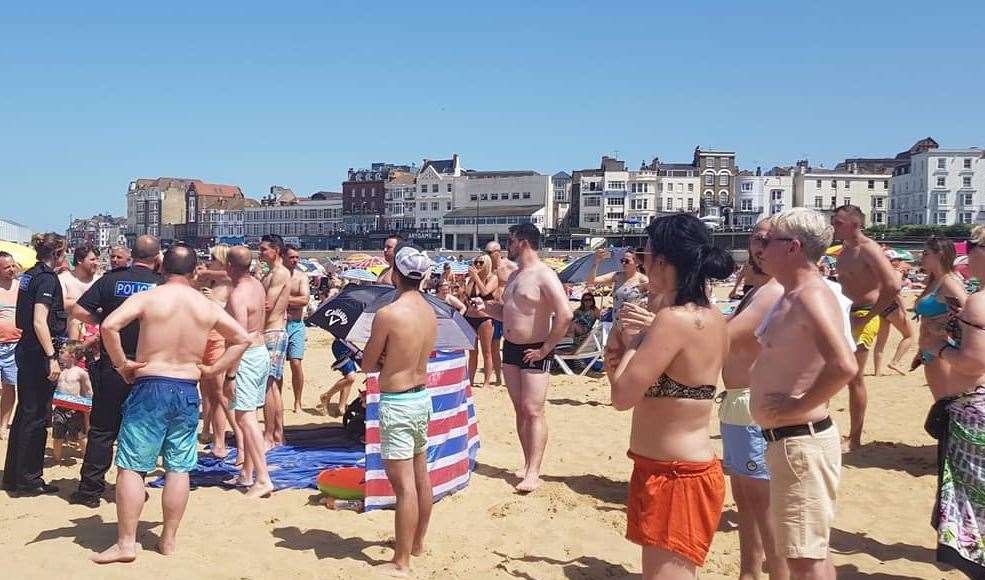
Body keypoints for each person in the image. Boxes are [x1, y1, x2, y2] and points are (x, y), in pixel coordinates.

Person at [91, 244, 250, 564]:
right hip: (186, 386)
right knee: (179, 466)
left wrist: (122, 364)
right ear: (195, 273)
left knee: (133, 465)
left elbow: (109, 326)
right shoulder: (204, 305)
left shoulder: (151, 296)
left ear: (162, 269)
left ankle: (126, 543)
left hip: (151, 383)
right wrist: (214, 369)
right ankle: (168, 540)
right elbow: (242, 338)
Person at [603, 213, 732, 579]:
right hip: (674, 468)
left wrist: (631, 343)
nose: (641, 261)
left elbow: (623, 395)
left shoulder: (672, 320)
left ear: (662, 261)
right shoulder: (713, 317)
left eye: (645, 254)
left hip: (676, 476)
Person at [751, 208, 858, 580]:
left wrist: (799, 404)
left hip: (800, 442)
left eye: (770, 240)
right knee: (808, 552)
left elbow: (844, 365)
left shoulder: (810, 296)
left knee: (804, 560)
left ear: (793, 247)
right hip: (790, 442)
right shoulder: (792, 293)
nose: (761, 247)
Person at [68, 235, 164, 509]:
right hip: (147, 364)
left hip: (113, 361)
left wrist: (104, 321)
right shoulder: (160, 285)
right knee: (141, 428)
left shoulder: (111, 280)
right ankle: (134, 484)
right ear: (157, 258)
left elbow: (77, 310)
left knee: (102, 428)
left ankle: (89, 489)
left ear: (132, 254)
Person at [476, 223, 572, 492]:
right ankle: (527, 462)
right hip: (512, 349)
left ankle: (534, 471)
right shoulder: (516, 275)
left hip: (535, 347)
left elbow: (565, 314)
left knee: (533, 410)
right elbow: (508, 312)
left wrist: (546, 349)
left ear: (523, 242)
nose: (508, 245)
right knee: (520, 410)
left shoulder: (544, 275)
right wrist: (485, 307)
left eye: (511, 240)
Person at [360, 244, 437, 577]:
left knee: (404, 486)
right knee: (421, 477)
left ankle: (401, 560)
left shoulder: (389, 314)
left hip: (398, 401)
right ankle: (417, 543)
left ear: (396, 274)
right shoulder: (431, 312)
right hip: (421, 397)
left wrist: (376, 357)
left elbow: (367, 364)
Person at [720, 220, 788, 580]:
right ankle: (750, 572)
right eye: (756, 237)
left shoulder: (772, 292)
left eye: (768, 239)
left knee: (763, 506)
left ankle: (774, 574)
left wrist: (674, 325)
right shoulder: (755, 290)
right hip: (736, 402)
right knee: (745, 502)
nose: (759, 246)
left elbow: (727, 334)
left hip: (752, 403)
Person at [928, 225, 985, 577]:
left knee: (974, 499)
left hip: (974, 406)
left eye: (973, 245)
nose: (967, 251)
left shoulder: (979, 301)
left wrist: (939, 348)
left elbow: (974, 362)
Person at [2, 233, 68, 496]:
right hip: (38, 352)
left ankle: (15, 476)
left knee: (25, 414)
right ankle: (29, 478)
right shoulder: (46, 278)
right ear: (56, 254)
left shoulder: (30, 274)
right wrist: (52, 356)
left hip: (26, 348)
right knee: (37, 416)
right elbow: (40, 319)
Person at [830, 205, 900, 451]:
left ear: (855, 224)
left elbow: (893, 286)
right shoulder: (844, 250)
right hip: (847, 313)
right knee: (830, 371)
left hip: (864, 314)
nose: (834, 227)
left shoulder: (869, 249)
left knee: (854, 377)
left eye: (838, 223)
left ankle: (856, 438)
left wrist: (871, 315)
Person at [222, 246, 274, 498]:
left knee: (245, 418)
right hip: (260, 351)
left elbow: (239, 338)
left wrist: (230, 373)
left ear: (229, 267)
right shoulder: (256, 284)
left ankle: (263, 479)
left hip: (247, 356)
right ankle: (247, 474)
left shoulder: (239, 294)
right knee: (249, 413)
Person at [196, 244, 237, 459]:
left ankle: (237, 435)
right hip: (205, 338)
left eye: (212, 257)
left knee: (220, 393)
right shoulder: (209, 282)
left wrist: (213, 300)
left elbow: (231, 313)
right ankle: (212, 435)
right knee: (209, 391)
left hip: (219, 340)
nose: (208, 259)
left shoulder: (229, 283)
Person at [914, 238, 966, 400]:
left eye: (926, 253)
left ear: (940, 255)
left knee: (945, 404)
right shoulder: (934, 280)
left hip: (943, 350)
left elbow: (968, 314)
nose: (921, 257)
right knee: (942, 404)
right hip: (930, 349)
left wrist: (942, 328)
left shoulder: (948, 282)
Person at [259, 234, 291, 447]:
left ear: (276, 250)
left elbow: (267, 305)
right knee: (271, 386)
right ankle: (276, 432)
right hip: (270, 330)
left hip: (274, 330)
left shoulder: (279, 273)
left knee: (269, 386)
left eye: (264, 249)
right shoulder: (270, 273)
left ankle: (272, 434)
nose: (260, 252)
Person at [871, 260, 915, 376]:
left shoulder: (886, 273)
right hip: (891, 307)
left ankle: (877, 372)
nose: (908, 273)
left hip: (880, 307)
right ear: (903, 268)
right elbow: (896, 292)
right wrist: (904, 310)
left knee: (881, 342)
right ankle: (894, 362)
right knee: (909, 336)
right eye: (908, 270)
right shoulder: (897, 273)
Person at [51, 340, 92, 462]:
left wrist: (88, 403)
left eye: (63, 352)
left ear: (72, 355)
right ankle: (56, 459)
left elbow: (88, 390)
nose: (60, 352)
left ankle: (88, 458)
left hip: (75, 410)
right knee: (57, 436)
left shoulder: (81, 373)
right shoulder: (59, 370)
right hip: (59, 408)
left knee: (80, 436)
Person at [586, 247, 648, 324]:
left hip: (632, 324)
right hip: (616, 323)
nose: (623, 263)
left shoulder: (642, 279)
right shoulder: (616, 276)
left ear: (636, 263)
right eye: (622, 260)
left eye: (627, 261)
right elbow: (591, 281)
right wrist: (596, 262)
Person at [464, 254, 498, 388]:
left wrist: (476, 277)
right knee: (472, 352)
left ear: (487, 264)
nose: (477, 265)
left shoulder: (492, 278)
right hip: (470, 317)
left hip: (485, 317)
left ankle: (487, 382)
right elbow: (467, 293)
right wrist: (472, 279)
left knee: (487, 351)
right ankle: (470, 380)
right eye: (476, 262)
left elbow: (484, 292)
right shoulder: (471, 279)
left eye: (480, 262)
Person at [283, 244, 310, 414]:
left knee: (296, 363)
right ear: (283, 257)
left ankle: (297, 402)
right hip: (279, 324)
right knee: (275, 368)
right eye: (291, 257)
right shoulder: (278, 276)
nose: (295, 260)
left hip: (296, 324)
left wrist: (283, 299)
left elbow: (305, 300)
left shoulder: (301, 277)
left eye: (297, 257)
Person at [486, 240, 517, 386]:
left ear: (498, 252)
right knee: (494, 345)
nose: (487, 255)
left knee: (511, 344)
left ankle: (511, 376)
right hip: (494, 310)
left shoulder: (509, 266)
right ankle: (498, 377)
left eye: (489, 252)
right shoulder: (487, 267)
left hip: (509, 310)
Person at [60, 243, 101, 342]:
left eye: (97, 259)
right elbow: (60, 303)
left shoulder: (100, 281)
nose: (97, 263)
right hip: (69, 335)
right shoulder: (64, 279)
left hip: (95, 336)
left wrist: (73, 302)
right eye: (92, 260)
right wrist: (89, 303)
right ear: (79, 260)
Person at [0, 251, 20, 439]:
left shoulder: (20, 288)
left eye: (13, 266)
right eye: (7, 267)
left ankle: (3, 425)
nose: (11, 270)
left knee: (9, 386)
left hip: (14, 345)